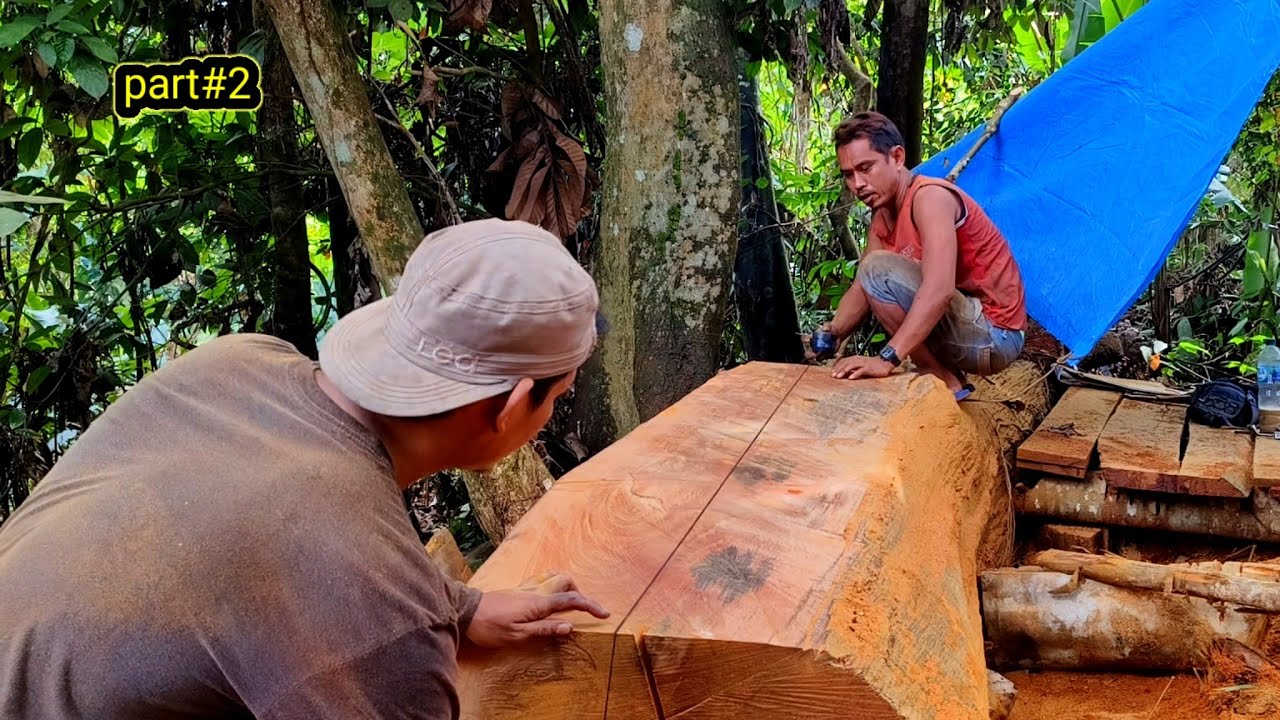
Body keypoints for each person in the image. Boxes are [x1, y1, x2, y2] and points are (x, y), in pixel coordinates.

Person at [0, 219, 610, 720]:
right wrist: (415, 618)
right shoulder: (381, 632)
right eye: (558, 396)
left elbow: (244, 546)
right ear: (511, 407)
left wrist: (458, 606)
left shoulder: (236, 361)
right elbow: (326, 573)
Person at [822, 111, 1027, 400]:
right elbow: (861, 289)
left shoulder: (930, 198)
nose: (858, 183)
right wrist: (833, 333)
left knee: (875, 267)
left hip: (995, 336)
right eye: (848, 175)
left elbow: (939, 290)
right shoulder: (882, 217)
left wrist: (886, 359)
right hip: (970, 329)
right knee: (872, 270)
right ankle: (944, 375)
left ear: (897, 157)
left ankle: (940, 378)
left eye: (866, 168)